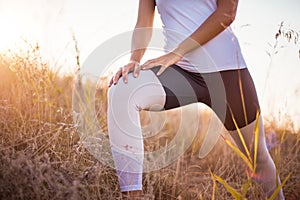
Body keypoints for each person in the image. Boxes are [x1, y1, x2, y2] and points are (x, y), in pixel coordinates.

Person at [107, 0, 284, 199]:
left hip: (227, 74)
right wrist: (134, 59)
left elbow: (227, 12)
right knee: (122, 90)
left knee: (257, 157)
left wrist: (178, 52)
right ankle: (133, 196)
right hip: (181, 72)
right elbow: (144, 21)